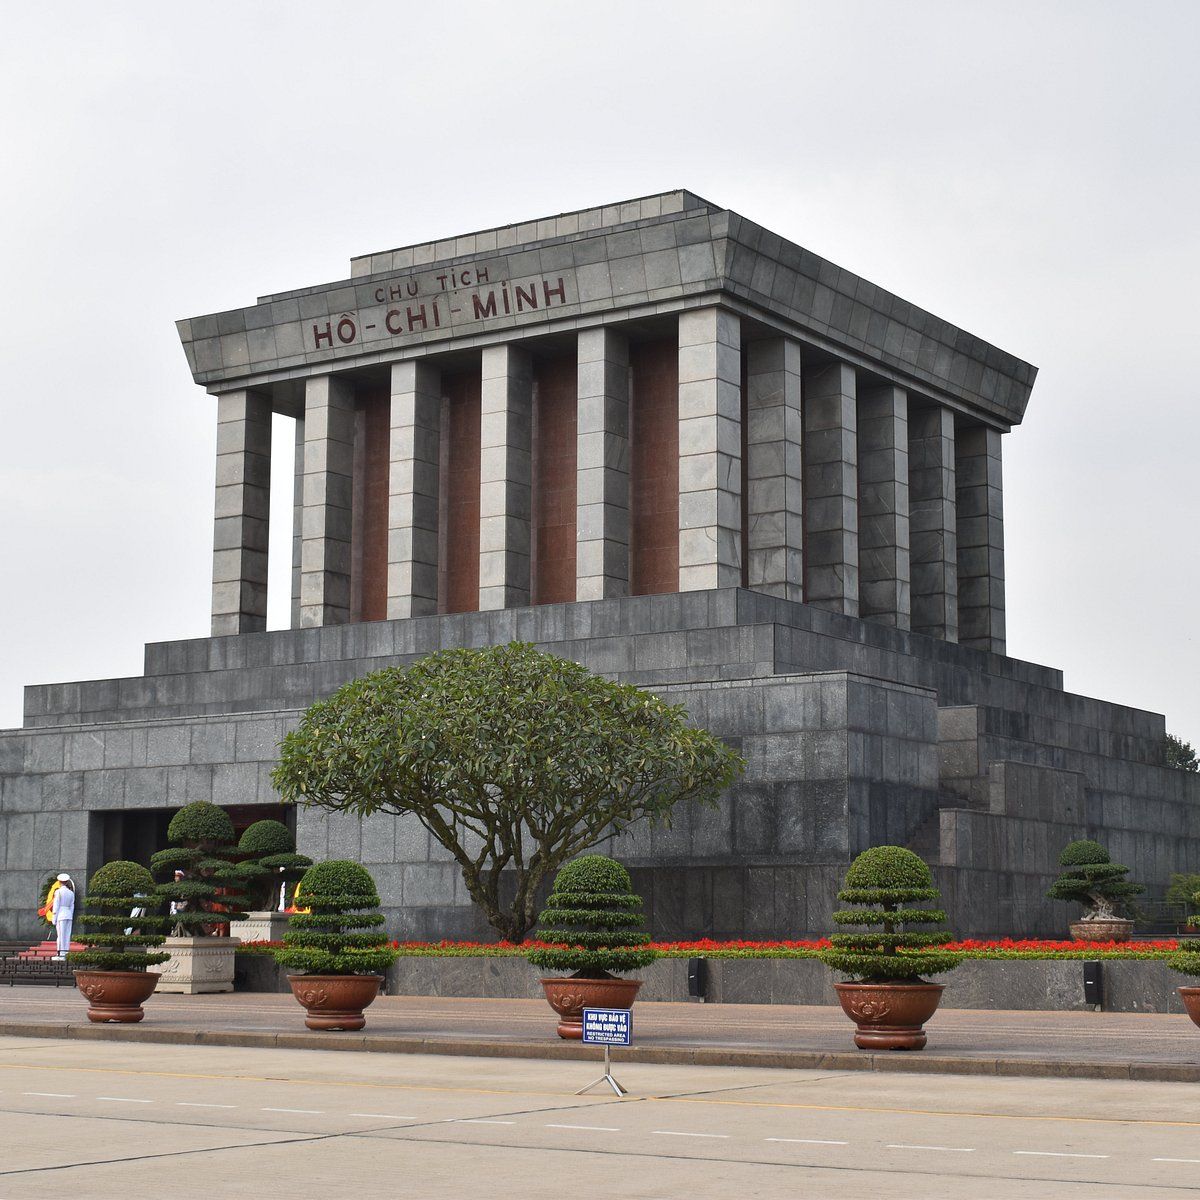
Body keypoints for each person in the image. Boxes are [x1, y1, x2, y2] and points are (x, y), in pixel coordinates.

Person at [50, 874, 75, 960]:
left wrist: (54, 918)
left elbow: (56, 906)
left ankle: (60, 953)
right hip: (68, 915)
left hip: (61, 915)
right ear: (67, 882)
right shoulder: (71, 893)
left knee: (60, 935)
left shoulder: (58, 892)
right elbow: (72, 906)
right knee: (67, 935)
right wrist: (70, 915)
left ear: (59, 882)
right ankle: (66, 952)